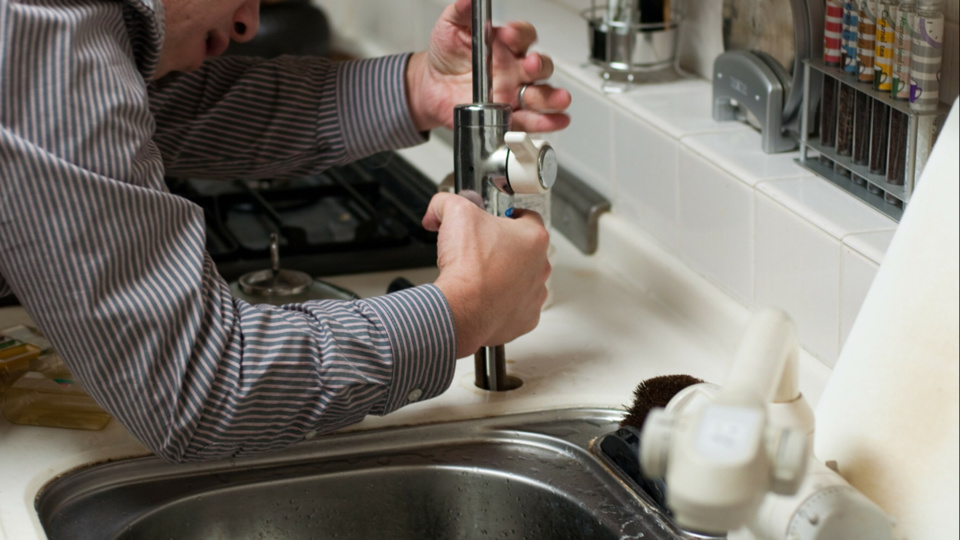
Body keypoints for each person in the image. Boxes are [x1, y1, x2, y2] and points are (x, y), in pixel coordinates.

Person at [0, 0, 571, 462]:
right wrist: (462, 311)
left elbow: (163, 110)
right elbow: (199, 389)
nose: (249, 23)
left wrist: (420, 86)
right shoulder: (47, 28)